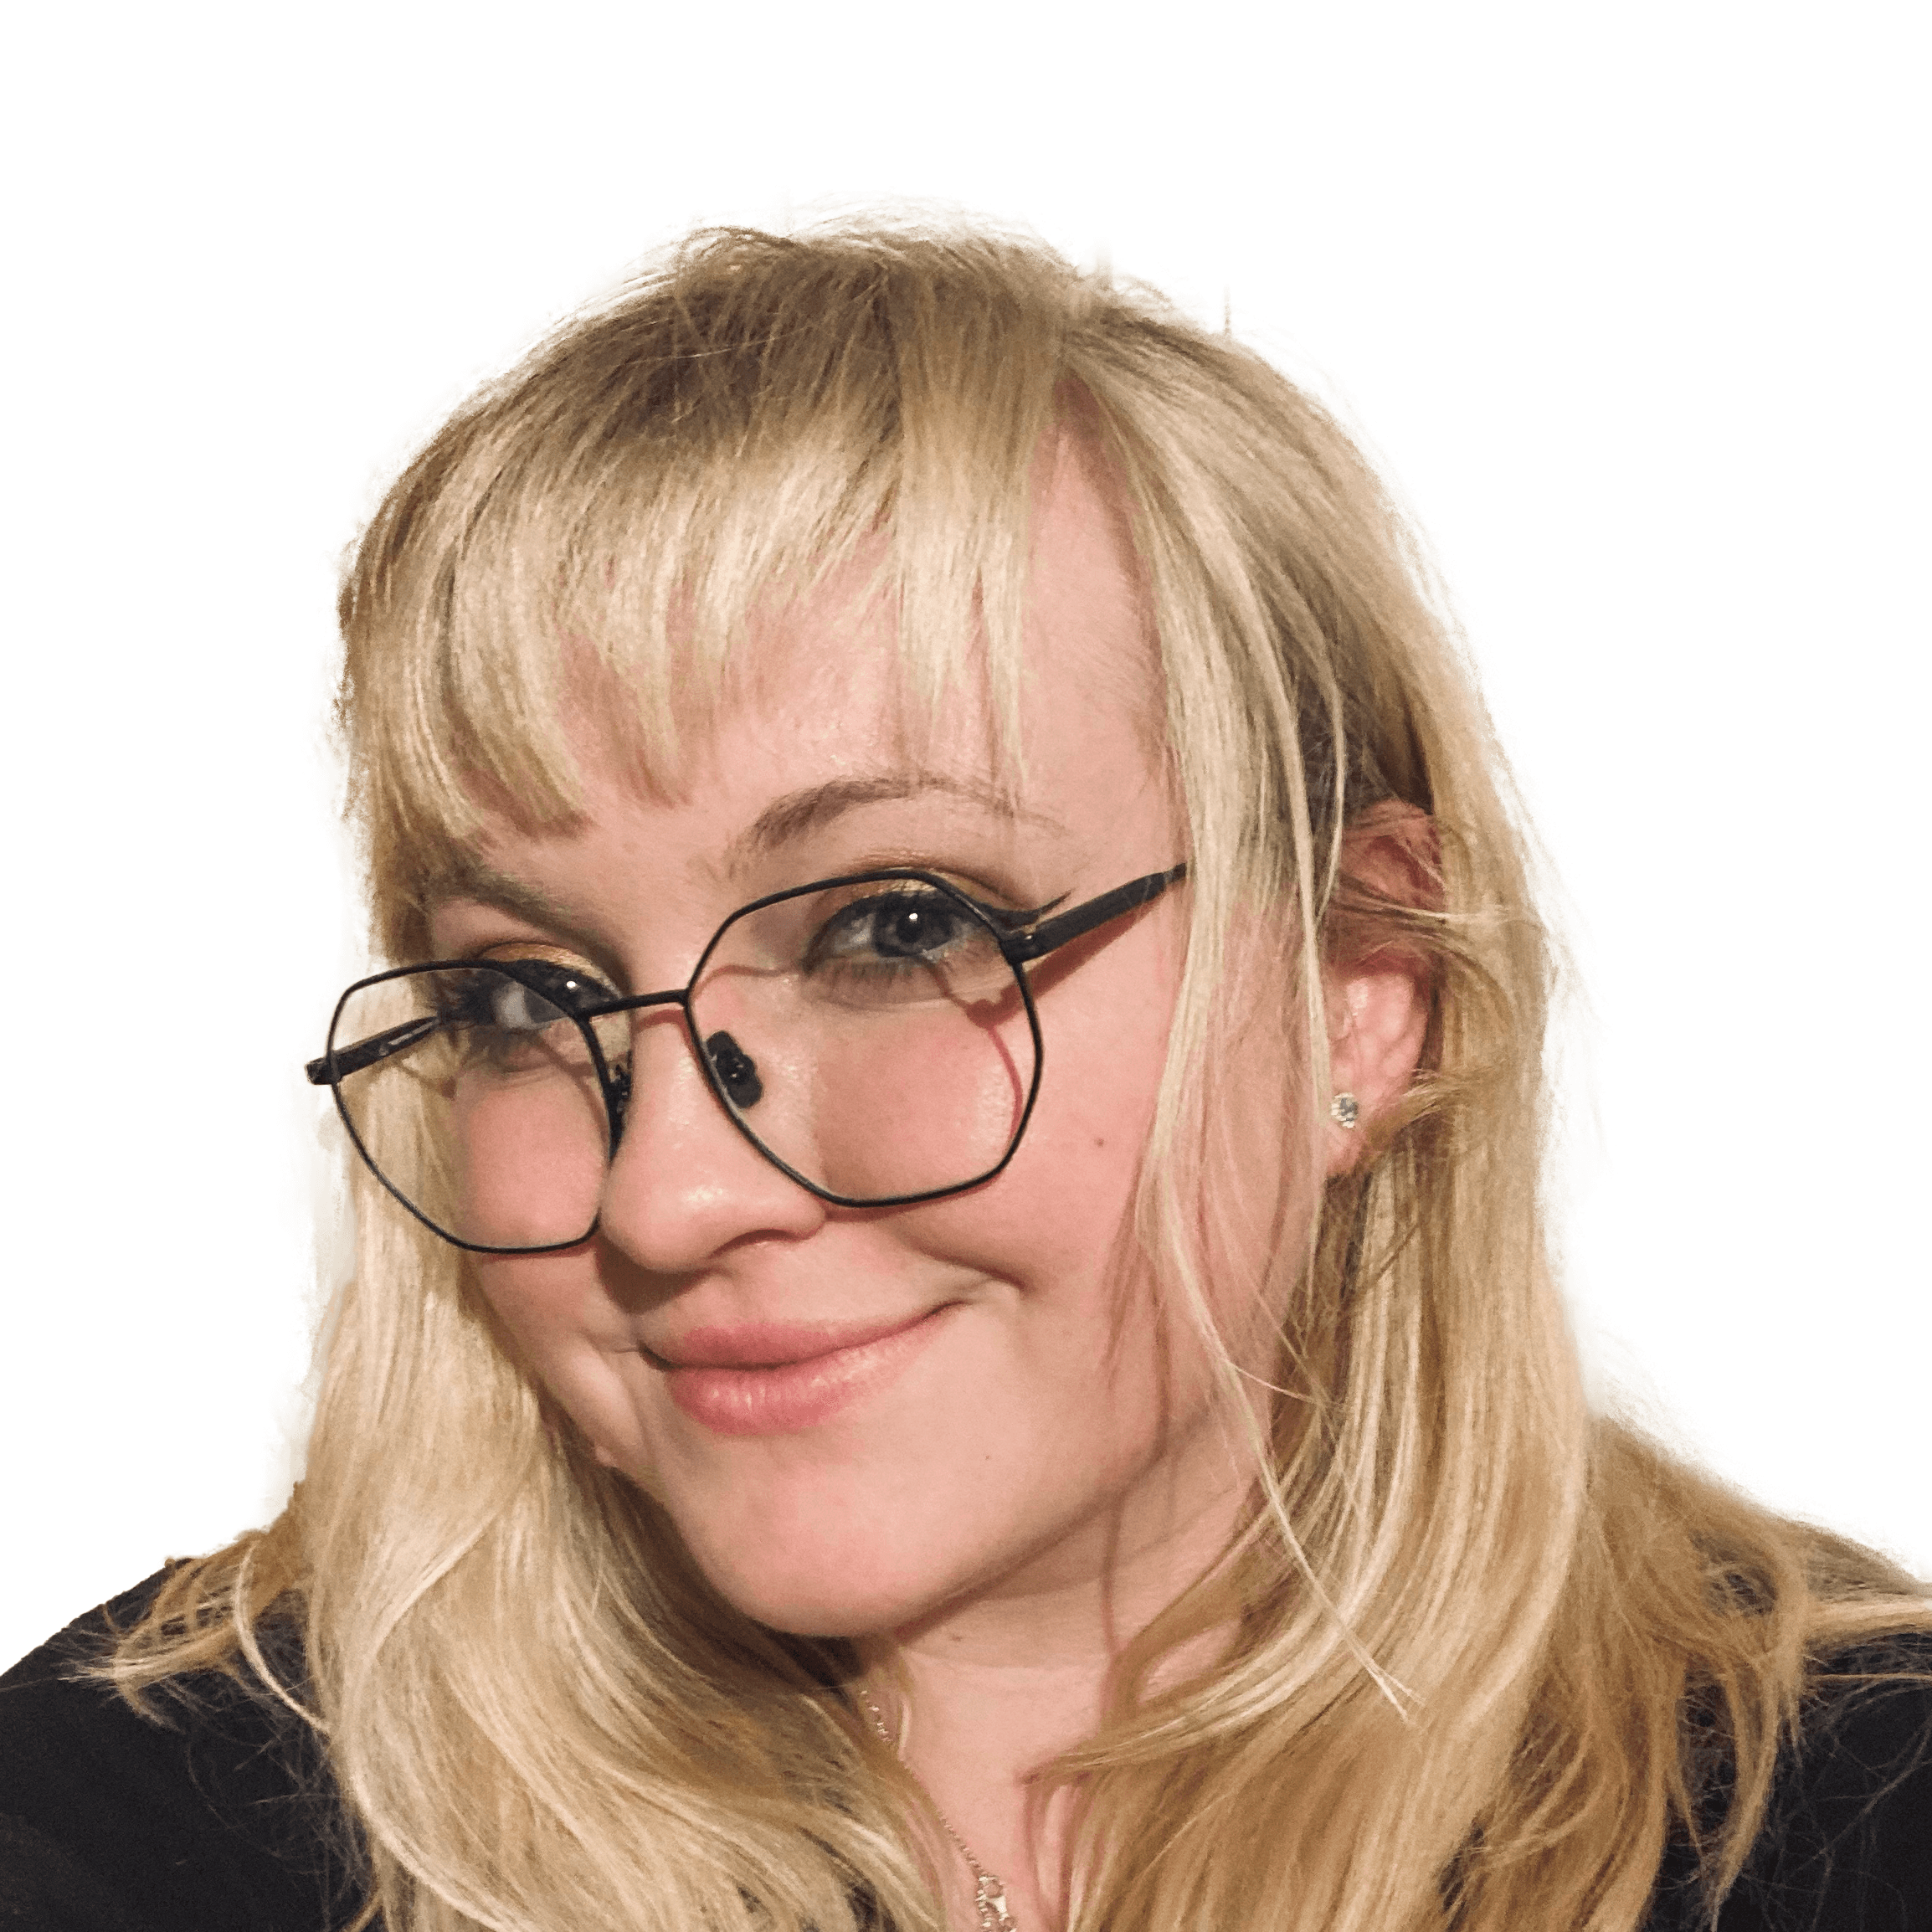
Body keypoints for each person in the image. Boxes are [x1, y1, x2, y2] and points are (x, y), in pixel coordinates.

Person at [3, 216, 1928, 1932]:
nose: (667, 1193)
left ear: (1362, 981)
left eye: (895, 927)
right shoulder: (141, 1824)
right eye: (527, 993)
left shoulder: (1857, 1820)